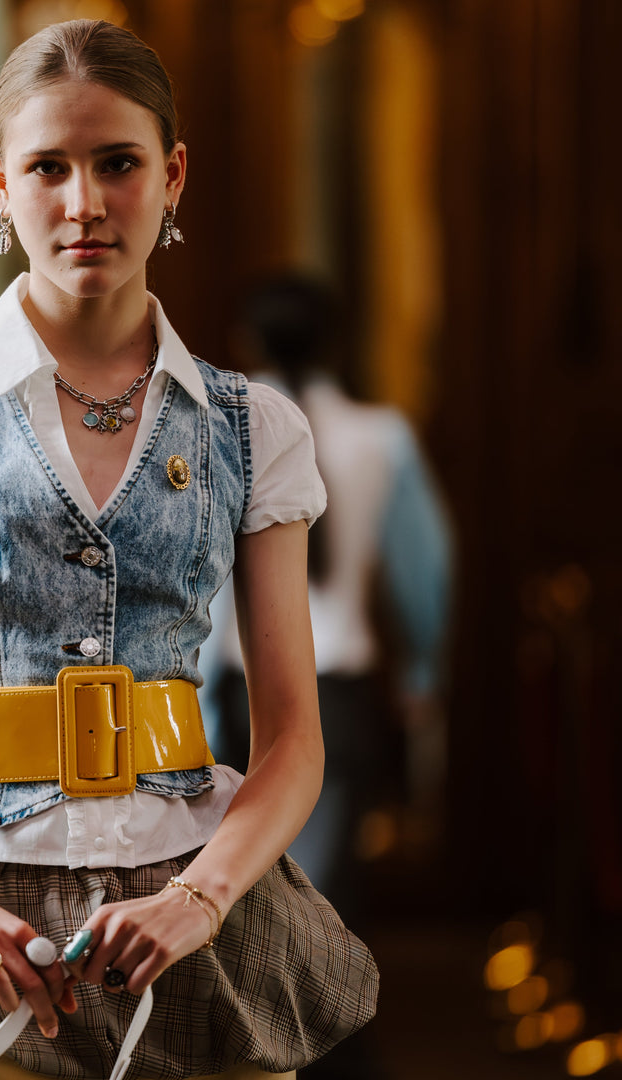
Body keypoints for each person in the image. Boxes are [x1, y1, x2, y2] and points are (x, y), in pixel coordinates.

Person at [0, 21, 377, 1080]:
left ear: (173, 174)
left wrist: (201, 901)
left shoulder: (254, 426)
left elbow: (295, 738)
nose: (85, 201)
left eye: (118, 163)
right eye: (48, 166)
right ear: (1, 185)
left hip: (197, 914)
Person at [200, 273, 453, 926]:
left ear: (246, 341)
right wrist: (423, 673)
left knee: (237, 888)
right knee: (324, 893)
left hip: (235, 683)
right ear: (336, 344)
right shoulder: (384, 436)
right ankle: (326, 1024)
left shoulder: (217, 430)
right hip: (338, 683)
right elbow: (428, 570)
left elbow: (205, 574)